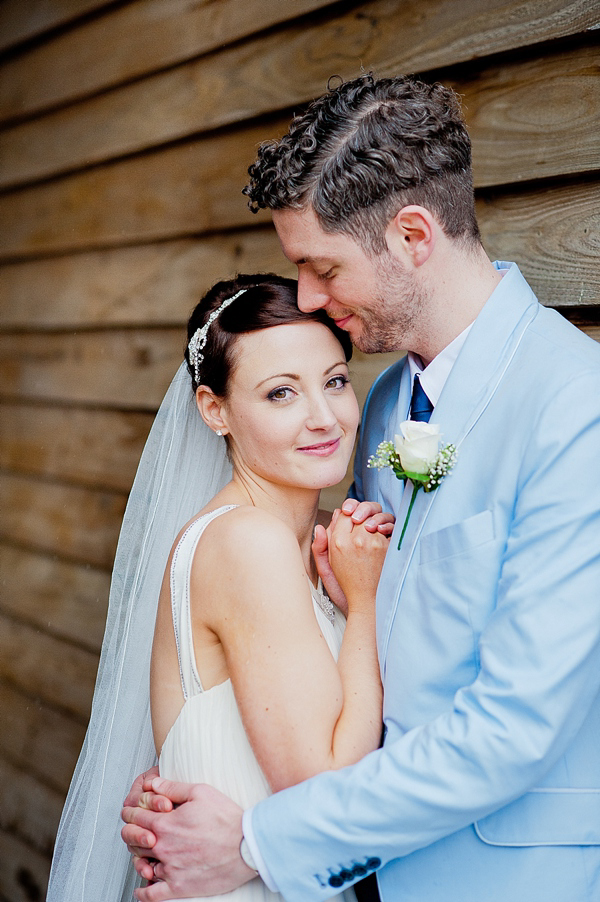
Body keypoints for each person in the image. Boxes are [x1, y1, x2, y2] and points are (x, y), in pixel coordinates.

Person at [121, 74, 600, 902]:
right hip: (360, 873)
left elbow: (515, 727)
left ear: (413, 235)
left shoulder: (576, 408)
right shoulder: (378, 406)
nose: (306, 297)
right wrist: (206, 758)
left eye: (321, 266)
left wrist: (258, 841)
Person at [47, 273, 393, 901]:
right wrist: (364, 606)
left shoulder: (313, 543)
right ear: (215, 409)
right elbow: (324, 788)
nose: (325, 418)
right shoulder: (246, 544)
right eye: (280, 393)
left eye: (335, 381)